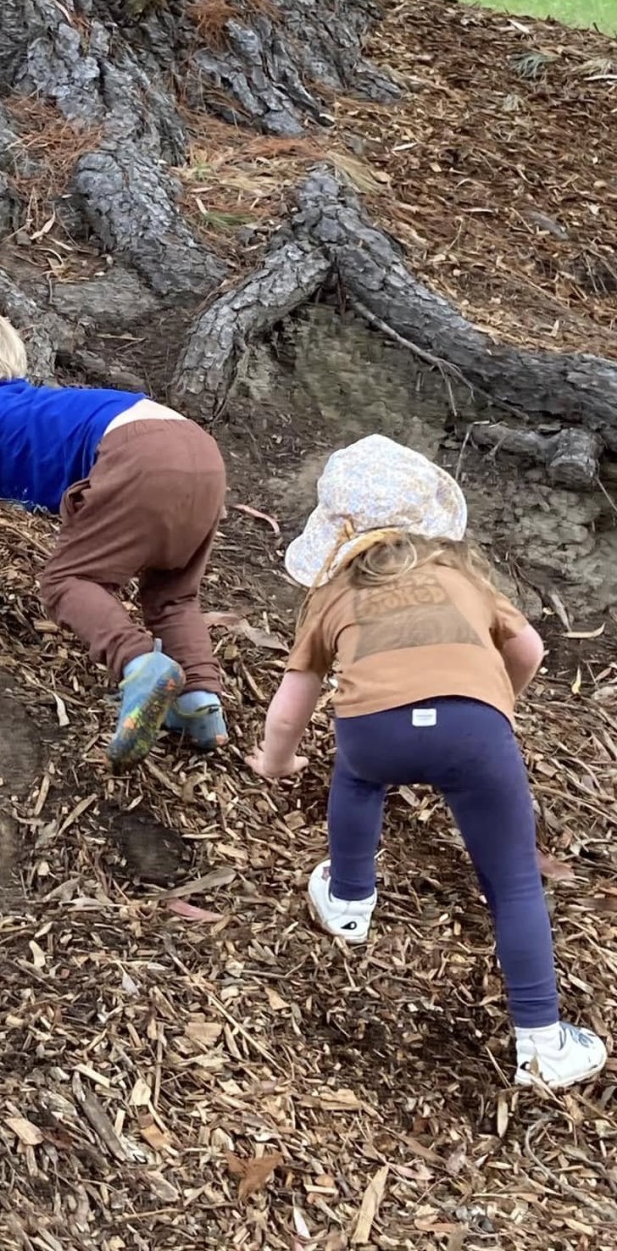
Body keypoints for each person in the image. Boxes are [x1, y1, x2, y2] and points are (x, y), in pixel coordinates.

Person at [247, 434, 607, 1092]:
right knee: (515, 881)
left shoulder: (332, 598)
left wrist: (276, 759)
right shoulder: (462, 578)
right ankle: (541, 1043)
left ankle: (350, 900)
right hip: (475, 731)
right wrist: (496, 706)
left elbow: (290, 704)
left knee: (356, 779)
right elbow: (529, 650)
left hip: (375, 730)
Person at [0, 300, 228, 766]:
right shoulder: (27, 409)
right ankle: (199, 702)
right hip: (198, 452)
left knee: (68, 581)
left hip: (137, 453)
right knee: (173, 592)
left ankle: (139, 665)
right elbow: (6, 489)